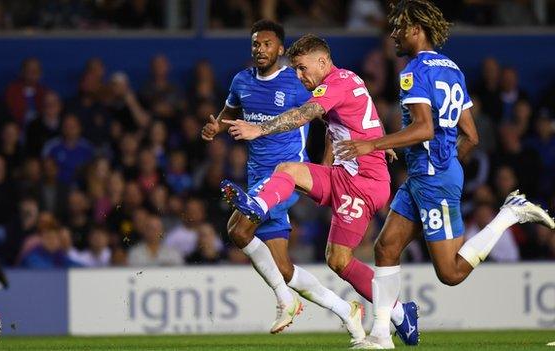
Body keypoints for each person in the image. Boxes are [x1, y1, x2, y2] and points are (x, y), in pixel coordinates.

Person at [334, 1, 555, 348]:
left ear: (416, 29)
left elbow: (422, 129)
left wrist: (371, 145)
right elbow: (472, 134)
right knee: (386, 247)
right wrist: (445, 163)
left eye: (398, 27)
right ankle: (380, 336)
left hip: (432, 178)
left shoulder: (412, 71)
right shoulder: (451, 68)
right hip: (429, 175)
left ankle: (509, 214)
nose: (393, 34)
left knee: (449, 273)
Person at [217, 29, 415, 344]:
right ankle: (259, 206)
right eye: (294, 68)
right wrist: (332, 164)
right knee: (290, 174)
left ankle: (399, 314)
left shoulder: (333, 85)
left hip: (364, 183)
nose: (299, 75)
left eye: (302, 67)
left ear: (322, 61)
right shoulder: (345, 79)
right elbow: (343, 123)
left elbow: (304, 114)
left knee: (340, 258)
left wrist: (259, 129)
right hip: (344, 174)